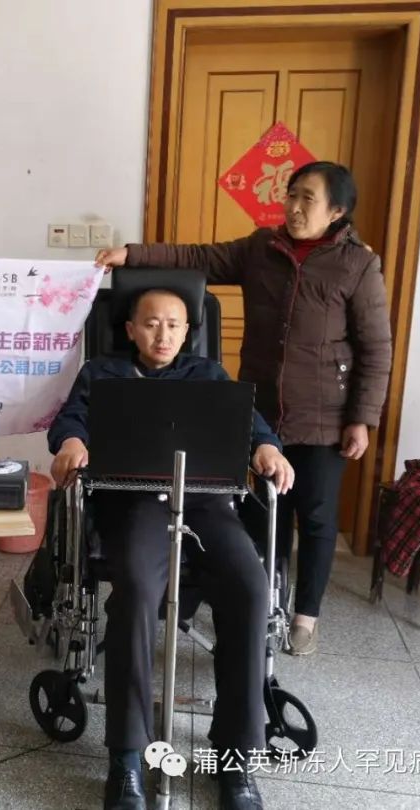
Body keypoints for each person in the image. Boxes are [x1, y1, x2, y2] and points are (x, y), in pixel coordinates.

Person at [96, 161, 393, 656]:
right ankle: (259, 600)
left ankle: (305, 615)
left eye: (308, 199)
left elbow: (376, 347)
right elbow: (197, 256)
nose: (294, 207)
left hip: (324, 413)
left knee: (316, 516)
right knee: (259, 511)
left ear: (337, 211)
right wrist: (131, 254)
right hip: (259, 405)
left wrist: (362, 418)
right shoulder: (262, 248)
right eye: (291, 195)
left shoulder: (357, 265)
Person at [48, 288, 293, 810]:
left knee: (250, 589)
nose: (163, 334)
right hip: (134, 500)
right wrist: (71, 442)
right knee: (136, 592)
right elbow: (71, 420)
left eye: (174, 325)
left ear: (188, 332)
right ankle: (126, 759)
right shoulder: (102, 374)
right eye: (151, 323)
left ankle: (235, 760)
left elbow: (252, 426)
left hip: (206, 501)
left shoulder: (209, 375)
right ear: (131, 329)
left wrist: (268, 447)